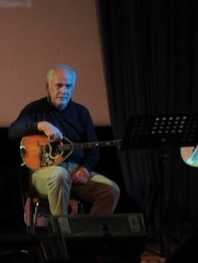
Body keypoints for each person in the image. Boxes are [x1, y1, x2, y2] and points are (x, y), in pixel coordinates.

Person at [8, 64, 120, 218]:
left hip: (75, 171)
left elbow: (94, 150)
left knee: (111, 190)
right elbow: (13, 132)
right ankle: (62, 235)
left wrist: (85, 169)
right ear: (47, 87)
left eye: (69, 86)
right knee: (59, 175)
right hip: (43, 172)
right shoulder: (34, 109)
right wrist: (41, 125)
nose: (64, 91)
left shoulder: (81, 112)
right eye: (58, 85)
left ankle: (90, 236)